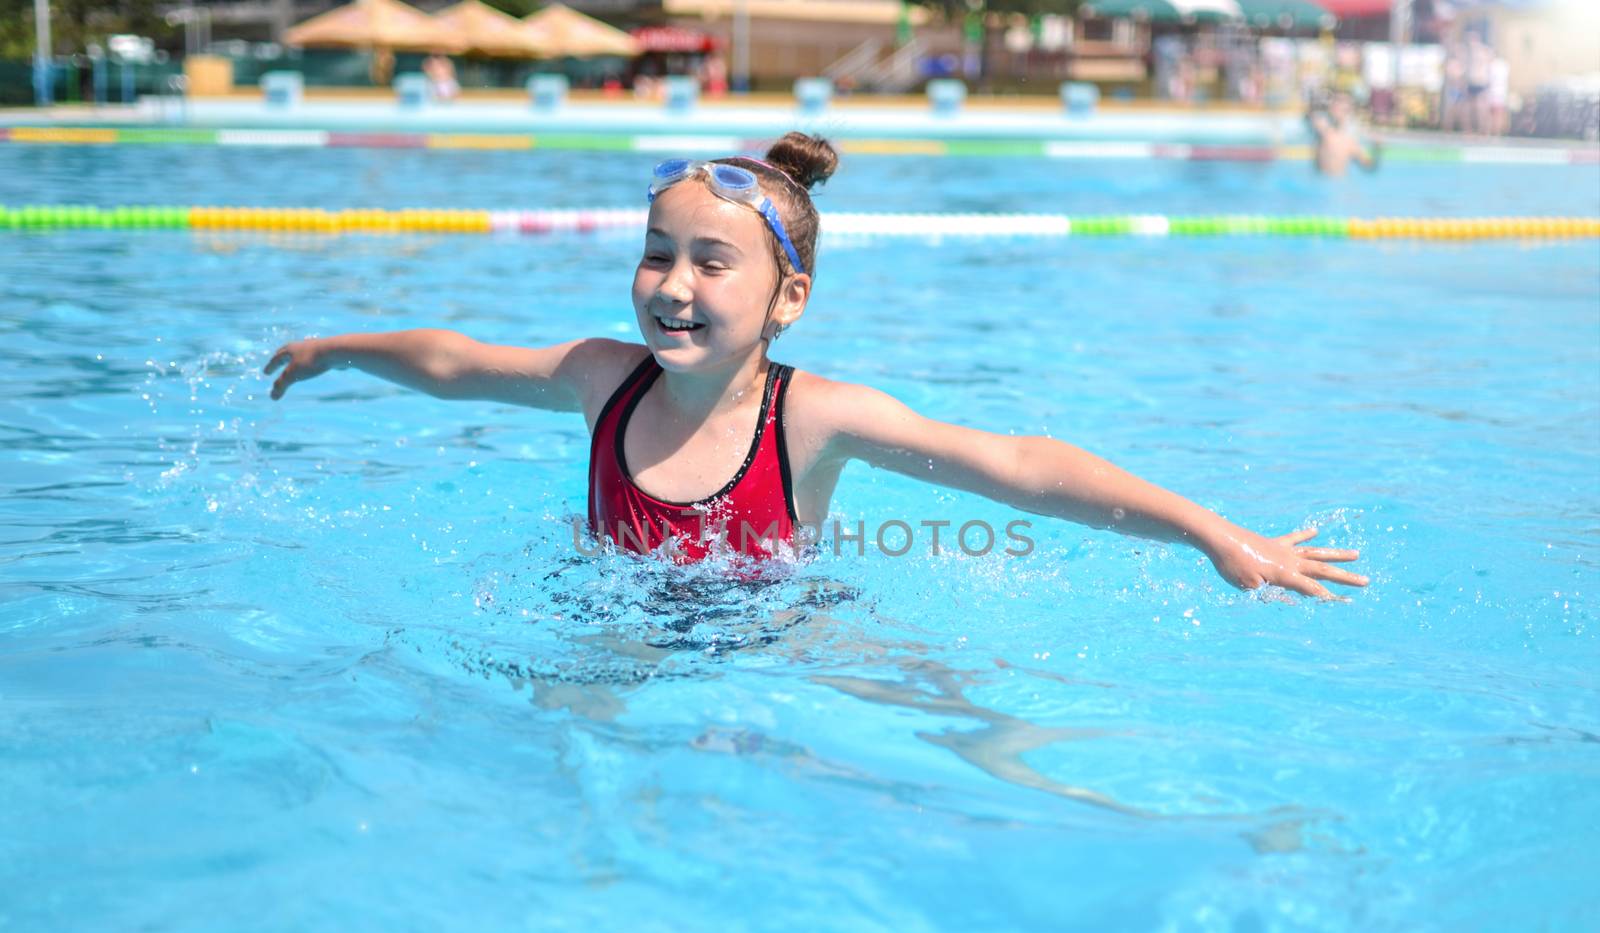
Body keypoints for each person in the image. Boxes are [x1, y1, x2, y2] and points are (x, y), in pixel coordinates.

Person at [263, 132, 1367, 600]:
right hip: (613, 617)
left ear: (789, 298)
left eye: (710, 262)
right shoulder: (605, 378)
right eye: (655, 256)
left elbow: (1016, 466)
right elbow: (457, 363)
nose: (672, 285)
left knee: (948, 716)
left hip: (778, 632)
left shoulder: (812, 420)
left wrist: (1211, 531)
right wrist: (337, 350)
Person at [1307, 91, 1379, 177]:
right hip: (1325, 183)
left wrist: (1377, 148)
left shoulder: (1349, 142)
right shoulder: (1323, 128)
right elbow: (1311, 114)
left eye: (1339, 102)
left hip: (1336, 184)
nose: (1335, 104)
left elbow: (1369, 166)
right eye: (1335, 101)